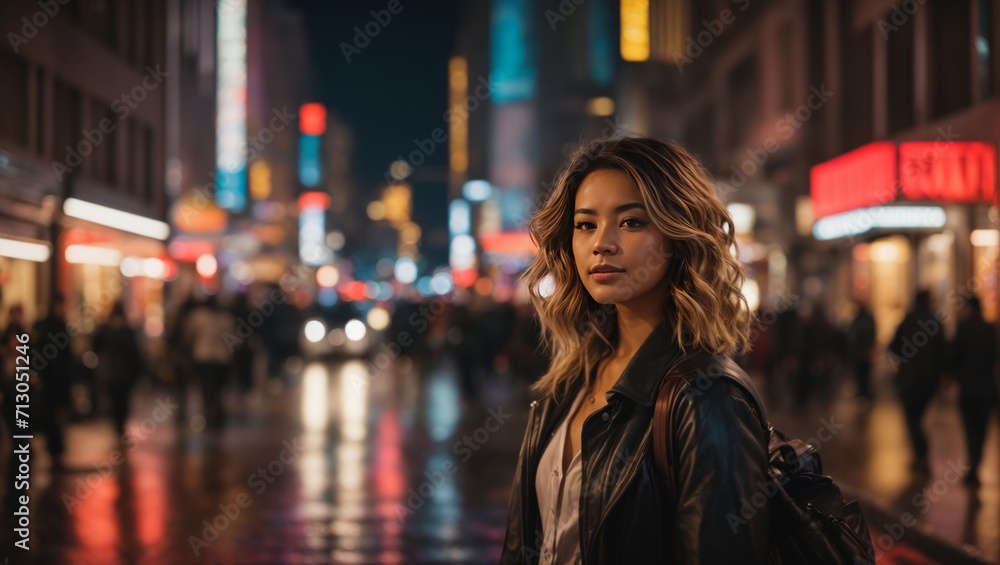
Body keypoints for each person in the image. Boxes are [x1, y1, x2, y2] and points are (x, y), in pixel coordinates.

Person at [501, 137, 769, 564]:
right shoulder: (571, 377)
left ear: (679, 235)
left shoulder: (706, 397)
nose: (601, 243)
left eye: (631, 222)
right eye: (585, 224)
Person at [888, 290, 946, 473]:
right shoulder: (935, 321)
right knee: (918, 416)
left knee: (912, 417)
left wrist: (902, 363)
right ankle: (921, 452)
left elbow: (893, 346)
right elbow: (943, 350)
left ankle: (920, 452)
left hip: (909, 379)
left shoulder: (907, 320)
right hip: (929, 380)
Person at [951, 295, 998, 487]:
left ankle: (974, 466)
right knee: (982, 429)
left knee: (970, 429)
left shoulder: (964, 328)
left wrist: (952, 375)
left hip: (969, 388)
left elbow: (954, 356)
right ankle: (976, 464)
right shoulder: (989, 329)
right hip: (986, 387)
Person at [32, 294, 75, 466]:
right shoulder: (49, 326)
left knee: (55, 415)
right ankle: (54, 448)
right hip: (50, 379)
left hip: (56, 379)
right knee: (51, 415)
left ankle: (55, 448)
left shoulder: (57, 325)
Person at [92, 301, 145, 436]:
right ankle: (120, 425)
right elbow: (135, 354)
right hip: (124, 373)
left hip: (111, 372)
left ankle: (118, 425)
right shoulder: (127, 331)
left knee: (115, 400)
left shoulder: (107, 329)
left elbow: (95, 346)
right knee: (123, 400)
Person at [184, 295, 236, 430]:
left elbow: (188, 336)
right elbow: (234, 338)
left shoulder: (198, 317)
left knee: (207, 388)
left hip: (204, 357)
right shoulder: (226, 318)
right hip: (222, 358)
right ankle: (216, 413)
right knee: (218, 389)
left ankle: (211, 414)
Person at [847, 301, 876, 402]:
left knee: (862, 374)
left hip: (861, 352)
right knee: (863, 375)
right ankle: (864, 393)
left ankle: (864, 393)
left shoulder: (860, 320)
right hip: (862, 352)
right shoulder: (866, 320)